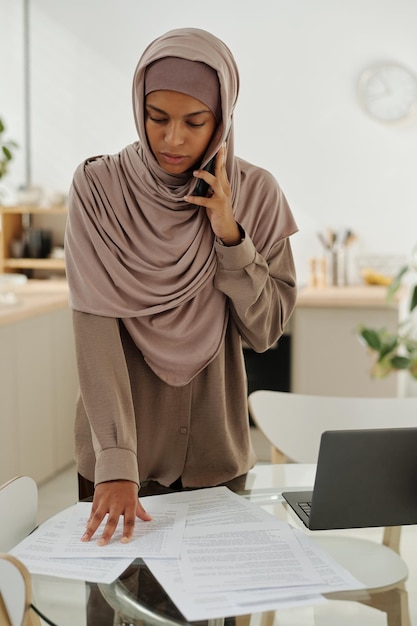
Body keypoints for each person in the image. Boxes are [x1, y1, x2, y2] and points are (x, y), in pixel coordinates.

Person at [65, 27, 298, 546]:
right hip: (117, 468)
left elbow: (265, 331)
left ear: (223, 119)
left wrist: (230, 236)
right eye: (157, 118)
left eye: (195, 122)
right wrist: (117, 461)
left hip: (216, 460)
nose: (172, 139)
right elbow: (94, 327)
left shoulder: (256, 193)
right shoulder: (99, 190)